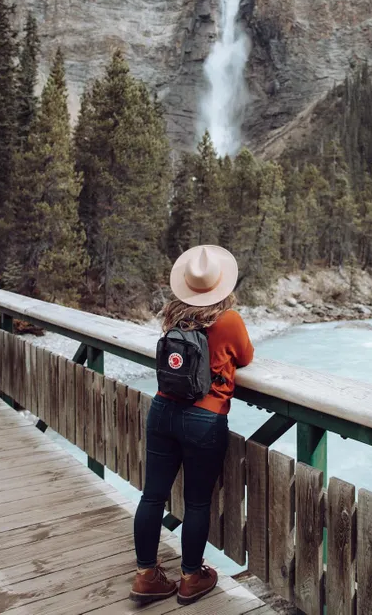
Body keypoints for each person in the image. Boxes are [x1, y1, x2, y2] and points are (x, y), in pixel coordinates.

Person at [130, 245, 254, 605]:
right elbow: (245, 357)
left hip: (163, 411)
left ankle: (145, 575)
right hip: (205, 419)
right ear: (222, 285)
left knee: (152, 495)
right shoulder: (229, 320)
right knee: (197, 503)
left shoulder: (172, 315)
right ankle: (190, 577)